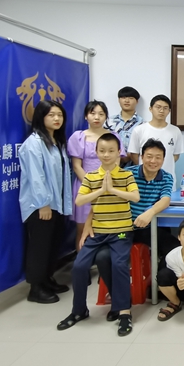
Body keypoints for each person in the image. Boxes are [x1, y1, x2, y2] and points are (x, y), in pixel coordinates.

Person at [57, 133, 139, 337]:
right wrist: (102, 190)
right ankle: (79, 310)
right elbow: (79, 201)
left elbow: (135, 197)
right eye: (102, 151)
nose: (106, 154)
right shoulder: (91, 176)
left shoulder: (126, 175)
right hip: (98, 231)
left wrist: (113, 189)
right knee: (79, 266)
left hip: (121, 231)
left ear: (119, 152)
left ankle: (124, 312)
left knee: (119, 265)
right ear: (96, 152)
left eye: (111, 151)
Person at [87, 138, 176, 322]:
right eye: (149, 156)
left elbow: (165, 199)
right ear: (142, 156)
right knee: (103, 257)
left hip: (147, 229)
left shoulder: (166, 177)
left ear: (163, 159)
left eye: (158, 157)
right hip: (123, 230)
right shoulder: (128, 174)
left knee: (174, 248)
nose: (153, 161)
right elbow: (103, 199)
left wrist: (149, 213)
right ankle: (119, 301)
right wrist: (89, 223)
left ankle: (158, 285)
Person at [19, 100, 72, 304]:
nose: (57, 118)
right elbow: (36, 177)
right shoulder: (34, 143)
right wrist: (43, 204)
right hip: (40, 206)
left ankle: (47, 279)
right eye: (51, 115)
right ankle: (35, 288)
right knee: (39, 247)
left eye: (60, 115)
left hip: (56, 203)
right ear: (41, 117)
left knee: (52, 243)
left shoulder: (56, 141)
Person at [69, 100, 125, 250]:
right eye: (92, 113)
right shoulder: (78, 137)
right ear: (86, 116)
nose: (96, 117)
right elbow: (76, 166)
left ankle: (102, 262)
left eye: (101, 114)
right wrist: (92, 185)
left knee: (106, 228)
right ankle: (82, 262)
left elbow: (116, 165)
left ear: (106, 117)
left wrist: (106, 185)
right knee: (82, 230)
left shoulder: (113, 137)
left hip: (109, 187)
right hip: (85, 187)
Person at [128, 94, 184, 190]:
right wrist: (149, 166)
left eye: (165, 108)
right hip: (143, 181)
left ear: (169, 111)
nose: (161, 111)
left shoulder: (175, 131)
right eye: (158, 107)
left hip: (167, 182)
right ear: (150, 109)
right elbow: (134, 155)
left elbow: (175, 156)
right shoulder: (139, 130)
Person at [107, 86, 143, 167]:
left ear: (137, 101)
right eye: (123, 98)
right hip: (110, 165)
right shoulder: (109, 121)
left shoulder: (142, 124)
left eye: (131, 98)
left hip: (133, 167)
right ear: (118, 100)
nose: (127, 101)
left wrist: (130, 155)